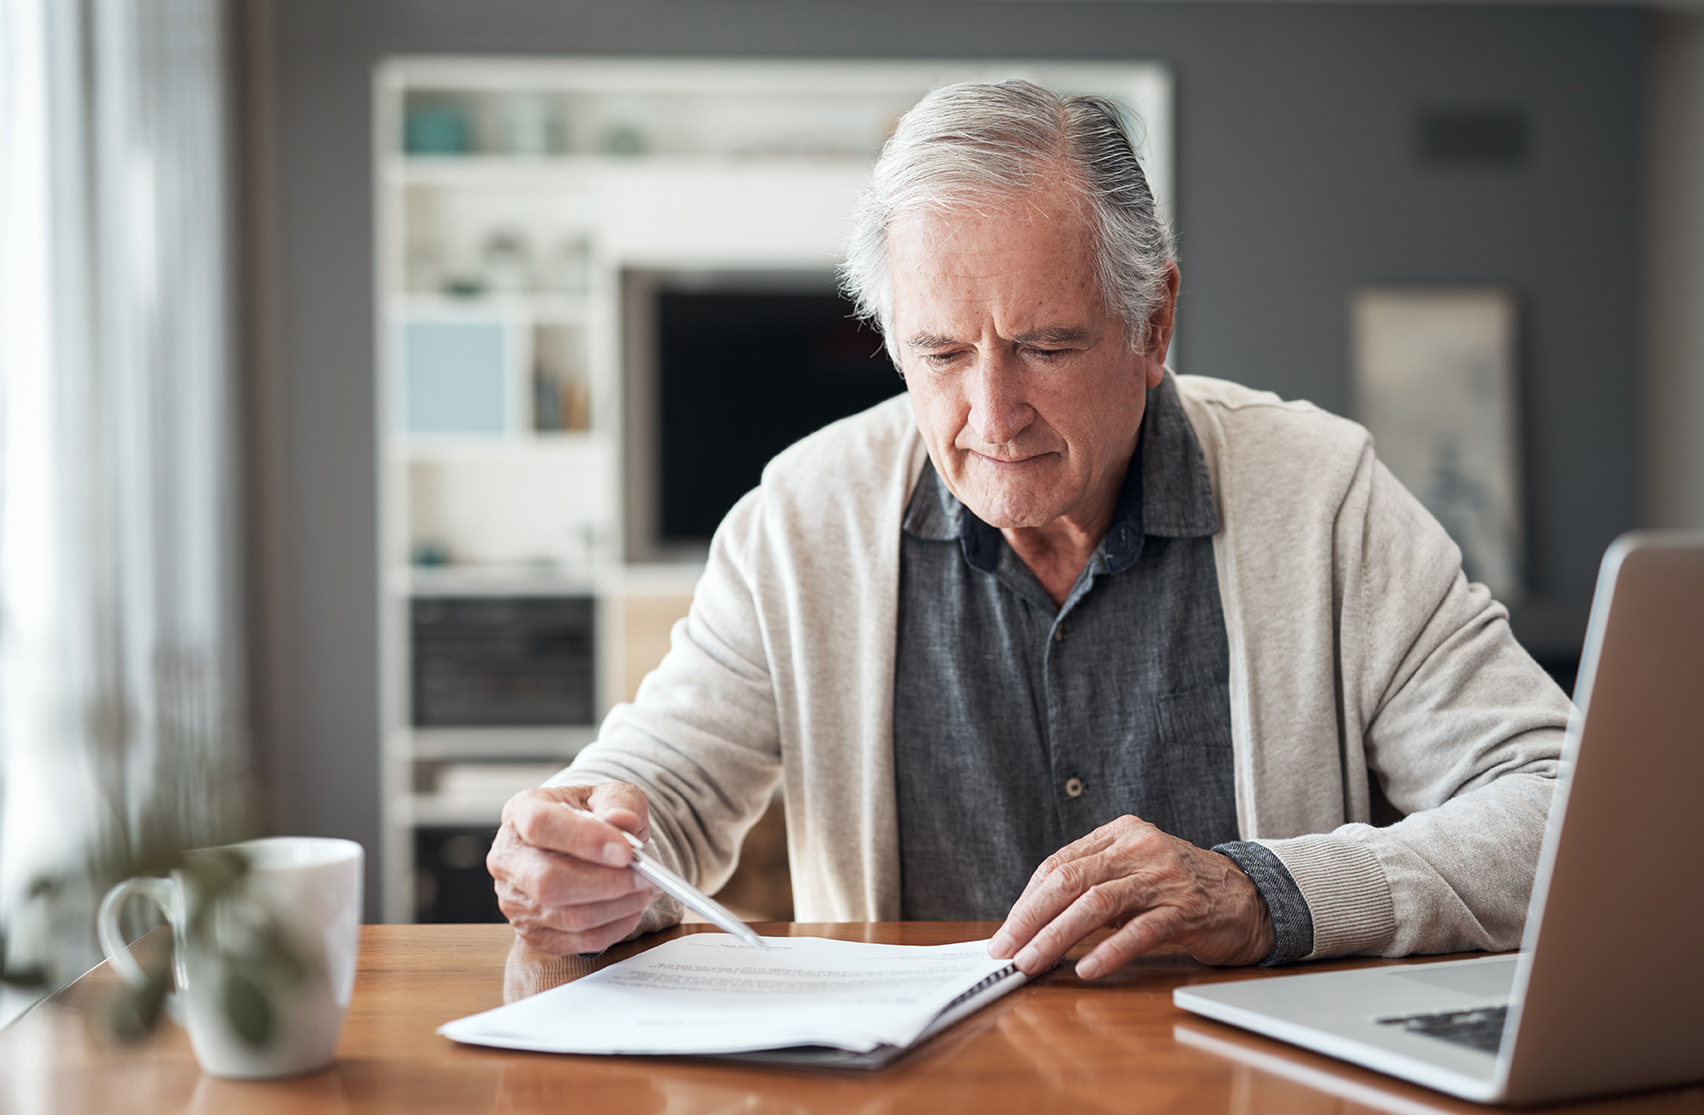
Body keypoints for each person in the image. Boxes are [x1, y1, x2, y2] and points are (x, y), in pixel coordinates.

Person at [486, 80, 1570, 980]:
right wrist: (584, 845)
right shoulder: (798, 522)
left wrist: (1264, 889)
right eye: (944, 354)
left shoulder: (1326, 497)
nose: (991, 418)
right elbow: (656, 790)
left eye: (1046, 346)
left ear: (1154, 323)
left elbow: (1558, 806)